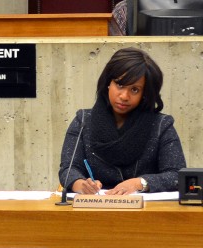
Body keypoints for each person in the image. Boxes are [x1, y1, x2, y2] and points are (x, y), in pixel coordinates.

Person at [59, 47, 186, 195]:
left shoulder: (161, 125)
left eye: (135, 90)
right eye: (120, 85)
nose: (124, 96)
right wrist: (80, 184)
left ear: (144, 93)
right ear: (108, 83)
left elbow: (177, 175)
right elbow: (68, 169)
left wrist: (139, 183)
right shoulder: (83, 121)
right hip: (96, 207)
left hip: (145, 212)